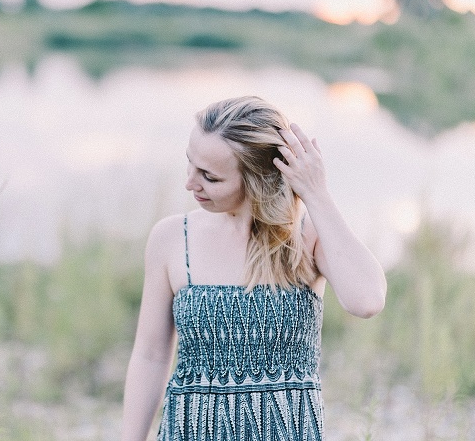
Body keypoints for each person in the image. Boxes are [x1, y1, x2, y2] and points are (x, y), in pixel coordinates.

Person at [120, 96, 386, 440]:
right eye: (190, 164)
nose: (190, 183)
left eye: (210, 177)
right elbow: (151, 354)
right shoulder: (172, 238)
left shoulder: (305, 237)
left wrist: (317, 194)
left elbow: (367, 301)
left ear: (258, 180)